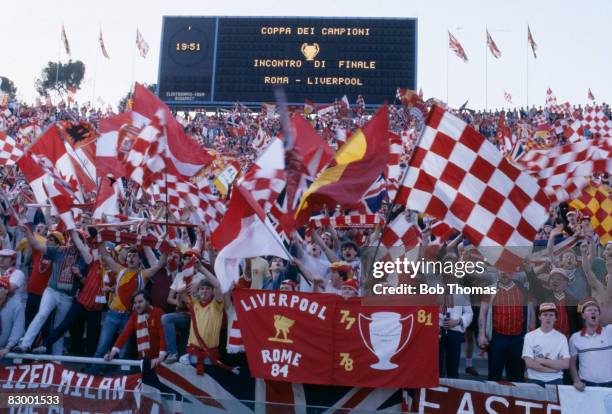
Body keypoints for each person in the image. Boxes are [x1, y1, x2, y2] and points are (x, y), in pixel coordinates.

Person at [13, 228, 91, 355]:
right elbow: (37, 245)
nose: (72, 241)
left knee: (58, 328)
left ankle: (56, 360)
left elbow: (88, 261)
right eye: (71, 238)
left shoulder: (84, 257)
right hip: (52, 291)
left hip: (68, 297)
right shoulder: (60, 251)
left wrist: (78, 274)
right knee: (42, 314)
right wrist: (28, 231)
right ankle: (25, 344)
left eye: (77, 239)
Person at [90, 244, 166, 372]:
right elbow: (106, 257)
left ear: (139, 260)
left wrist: (166, 247)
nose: (131, 258)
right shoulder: (120, 270)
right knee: (102, 348)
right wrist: (99, 240)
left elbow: (160, 265)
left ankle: (122, 382)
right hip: (112, 315)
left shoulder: (143, 274)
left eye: (134, 256)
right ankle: (92, 376)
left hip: (129, 317)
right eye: (129, 255)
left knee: (124, 353)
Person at [478, 271, 535, 382]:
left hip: (518, 339)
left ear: (513, 272)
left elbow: (532, 313)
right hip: (497, 338)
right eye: (501, 270)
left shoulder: (524, 289)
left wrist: (531, 336)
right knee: (494, 376)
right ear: (497, 272)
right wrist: (481, 335)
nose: (504, 273)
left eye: (507, 270)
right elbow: (482, 314)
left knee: (517, 377)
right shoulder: (489, 290)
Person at [105, 290, 166, 368]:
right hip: (143, 361)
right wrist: (112, 353)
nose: (137, 305)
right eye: (135, 303)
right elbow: (124, 334)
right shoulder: (134, 316)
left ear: (148, 301)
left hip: (159, 361)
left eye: (140, 302)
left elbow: (163, 336)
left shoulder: (158, 312)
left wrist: (161, 357)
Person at [522, 303, 570, 386]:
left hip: (556, 380)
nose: (548, 318)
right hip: (534, 380)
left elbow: (565, 364)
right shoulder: (529, 336)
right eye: (545, 315)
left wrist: (540, 360)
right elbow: (529, 363)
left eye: (551, 315)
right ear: (539, 317)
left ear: (556, 318)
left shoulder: (562, 338)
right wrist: (552, 369)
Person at [569, 298, 612, 389]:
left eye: (595, 310)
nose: (593, 312)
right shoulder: (575, 338)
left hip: (610, 384)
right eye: (589, 310)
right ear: (583, 316)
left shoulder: (609, 331)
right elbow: (572, 364)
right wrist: (577, 381)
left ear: (599, 315)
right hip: (587, 385)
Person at [439, 286, 473, 379]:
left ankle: (452, 392)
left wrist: (457, 321)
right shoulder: (433, 287)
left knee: (453, 369)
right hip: (436, 331)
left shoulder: (463, 291)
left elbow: (469, 313)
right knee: (436, 368)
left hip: (455, 332)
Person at [0, 277, 25, 359]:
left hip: (6, 351)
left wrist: (8, 347)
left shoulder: (17, 306)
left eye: (0, 287)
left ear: (6, 290)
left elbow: (18, 328)